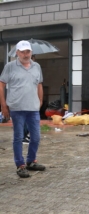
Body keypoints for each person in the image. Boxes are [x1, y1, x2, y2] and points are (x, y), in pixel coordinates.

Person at [0, 40, 45, 178]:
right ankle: (20, 165)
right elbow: (1, 85)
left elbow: (39, 85)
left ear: (31, 52)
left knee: (36, 137)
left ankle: (31, 161)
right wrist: (3, 106)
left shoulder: (37, 66)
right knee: (18, 137)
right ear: (17, 53)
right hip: (17, 108)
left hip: (33, 108)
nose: (26, 54)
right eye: (22, 52)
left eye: (28, 51)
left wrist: (40, 101)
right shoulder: (10, 66)